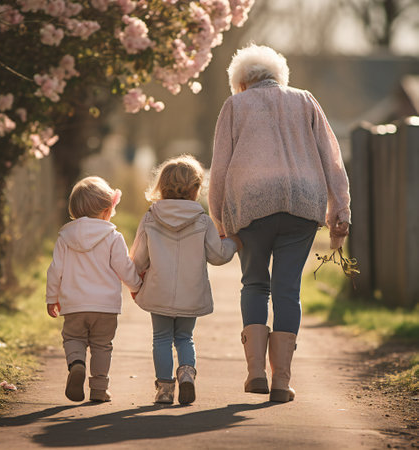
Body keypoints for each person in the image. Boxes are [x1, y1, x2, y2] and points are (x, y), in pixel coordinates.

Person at [209, 44, 351, 403]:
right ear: (279, 75)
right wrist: (340, 212)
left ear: (240, 82)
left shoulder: (234, 106)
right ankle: (281, 382)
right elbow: (332, 159)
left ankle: (255, 372)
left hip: (251, 206)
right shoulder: (305, 100)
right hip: (303, 204)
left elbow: (221, 168)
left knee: (255, 284)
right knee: (288, 290)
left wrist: (219, 218)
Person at [130, 155, 240, 405]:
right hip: (191, 292)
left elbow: (138, 259)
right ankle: (187, 372)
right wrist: (233, 242)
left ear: (162, 187)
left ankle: (165, 389)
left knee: (161, 338)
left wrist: (135, 282)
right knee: (184, 338)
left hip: (158, 290)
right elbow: (217, 256)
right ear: (195, 189)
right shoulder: (202, 221)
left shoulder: (150, 217)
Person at [46, 176, 142, 403]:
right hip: (105, 307)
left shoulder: (65, 237)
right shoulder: (113, 236)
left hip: (74, 305)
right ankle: (99, 389)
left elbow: (55, 270)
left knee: (73, 338)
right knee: (102, 346)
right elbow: (124, 267)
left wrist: (52, 297)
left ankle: (77, 364)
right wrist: (136, 286)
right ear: (108, 210)